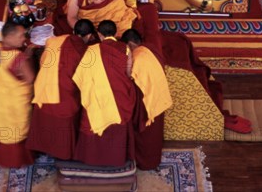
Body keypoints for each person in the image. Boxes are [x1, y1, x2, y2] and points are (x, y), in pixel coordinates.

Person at [26, 19, 96, 160]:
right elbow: (83, 78)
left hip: (43, 88)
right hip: (64, 96)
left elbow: (43, 61)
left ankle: (43, 148)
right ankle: (63, 154)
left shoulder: (53, 41)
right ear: (89, 36)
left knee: (45, 116)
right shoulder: (84, 51)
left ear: (74, 31)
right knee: (74, 104)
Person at [72, 20, 136, 167]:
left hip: (96, 94)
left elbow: (80, 75)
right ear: (115, 33)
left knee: (92, 115)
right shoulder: (125, 48)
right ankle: (115, 157)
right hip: (119, 95)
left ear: (99, 34)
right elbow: (128, 72)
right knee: (117, 119)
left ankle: (92, 158)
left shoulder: (91, 50)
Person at [0, 22, 35, 168]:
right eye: (21, 36)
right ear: (9, 37)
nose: (24, 38)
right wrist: (27, 58)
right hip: (12, 106)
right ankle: (16, 161)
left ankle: (2, 160)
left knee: (0, 131)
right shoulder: (18, 58)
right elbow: (30, 79)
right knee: (14, 134)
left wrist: (24, 55)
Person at [121, 28, 172, 170]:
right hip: (159, 98)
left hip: (147, 103)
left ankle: (144, 163)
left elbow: (134, 87)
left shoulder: (137, 59)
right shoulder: (150, 50)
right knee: (154, 136)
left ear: (130, 44)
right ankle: (153, 160)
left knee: (144, 136)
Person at [65, 0, 139, 37]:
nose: (99, 0)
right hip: (86, 25)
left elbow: (122, 16)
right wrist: (83, 31)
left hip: (106, 27)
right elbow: (71, 17)